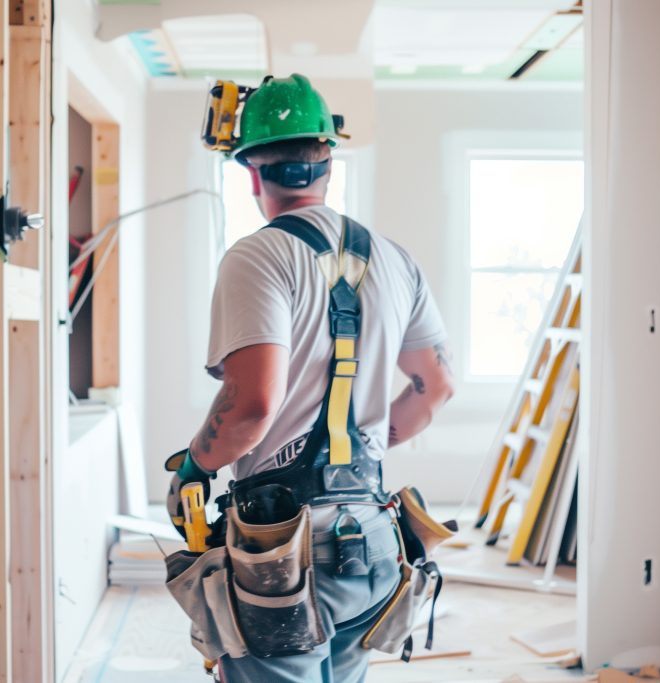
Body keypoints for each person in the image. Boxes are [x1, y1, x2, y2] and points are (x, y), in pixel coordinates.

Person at [167, 74, 454, 683]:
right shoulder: (395, 259)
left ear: (251, 172)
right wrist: (360, 444)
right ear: (328, 159)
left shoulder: (258, 255)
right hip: (374, 536)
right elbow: (434, 387)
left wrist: (197, 463)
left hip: (285, 553)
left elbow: (251, 406)